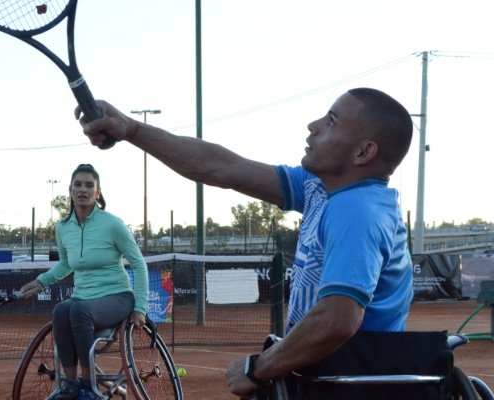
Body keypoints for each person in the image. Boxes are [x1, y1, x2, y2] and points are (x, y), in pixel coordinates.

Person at [75, 88, 414, 398]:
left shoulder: (358, 210)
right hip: (328, 378)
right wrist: (131, 129)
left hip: (348, 386)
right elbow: (221, 166)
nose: (313, 126)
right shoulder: (320, 187)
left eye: (331, 122)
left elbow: (337, 320)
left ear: (363, 152)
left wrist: (259, 368)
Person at [18, 163, 149, 400]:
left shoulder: (113, 224)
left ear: (97, 193)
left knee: (77, 310)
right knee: (61, 310)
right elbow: (67, 263)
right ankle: (71, 383)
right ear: (70, 190)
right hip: (83, 298)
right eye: (78, 185)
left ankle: (88, 386)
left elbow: (139, 264)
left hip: (117, 296)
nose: (83, 190)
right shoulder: (63, 227)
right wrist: (40, 282)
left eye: (89, 185)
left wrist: (140, 307)